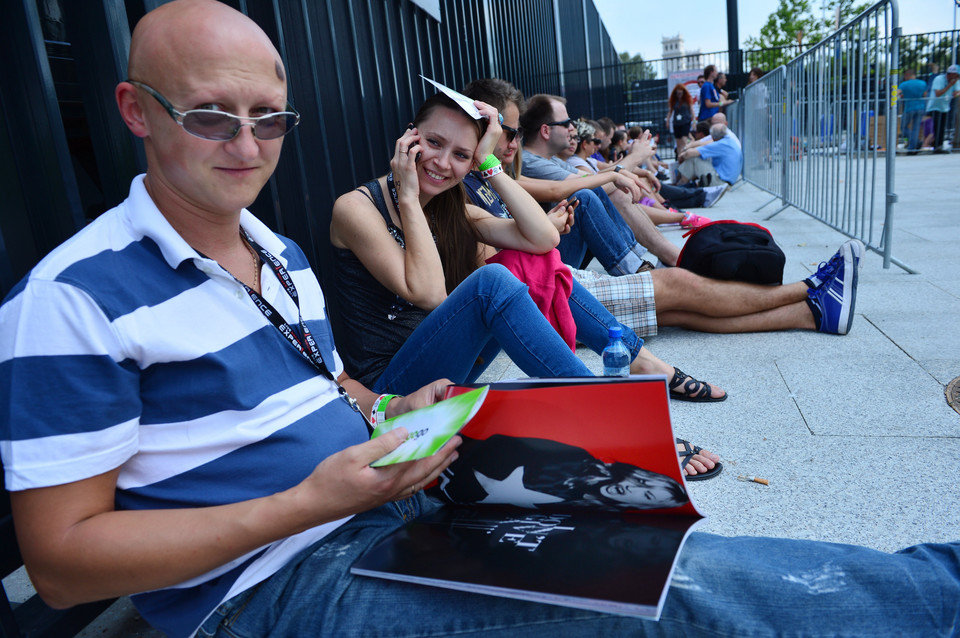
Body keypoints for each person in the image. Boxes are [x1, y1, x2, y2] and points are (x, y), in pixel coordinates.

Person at [5, 5, 958, 637]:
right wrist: (314, 500)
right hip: (274, 584)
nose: (247, 145)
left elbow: (327, 381)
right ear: (135, 109)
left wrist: (385, 413)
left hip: (379, 492)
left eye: (269, 118)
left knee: (662, 551)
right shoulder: (72, 299)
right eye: (212, 117)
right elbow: (60, 569)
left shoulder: (276, 253)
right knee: (670, 607)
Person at [328, 91, 727, 408]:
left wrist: (488, 163)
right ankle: (605, 409)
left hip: (445, 363)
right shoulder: (356, 209)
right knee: (492, 283)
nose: (443, 163)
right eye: (434, 142)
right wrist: (410, 198)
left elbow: (543, 240)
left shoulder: (452, 207)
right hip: (389, 393)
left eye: (461, 155)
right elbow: (430, 294)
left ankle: (634, 357)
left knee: (525, 261)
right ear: (409, 136)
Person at [461, 77, 866, 341]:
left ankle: (812, 313)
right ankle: (810, 290)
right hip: (534, 295)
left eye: (512, 131)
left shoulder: (490, 176)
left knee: (683, 309)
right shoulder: (465, 188)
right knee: (678, 289)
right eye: (503, 131)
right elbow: (496, 267)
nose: (512, 140)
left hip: (546, 277)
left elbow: (549, 198)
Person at [435, 435, 692, 510]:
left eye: (646, 496)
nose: (632, 489)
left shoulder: (599, 517)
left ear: (642, 508)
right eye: (642, 482)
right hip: (442, 470)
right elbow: (500, 446)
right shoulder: (577, 460)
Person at [676, 123, 743, 186]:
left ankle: (681, 184)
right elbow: (700, 144)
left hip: (721, 182)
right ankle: (688, 183)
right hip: (730, 180)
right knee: (701, 158)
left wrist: (682, 156)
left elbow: (689, 153)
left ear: (713, 137)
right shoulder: (730, 141)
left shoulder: (720, 144)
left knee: (694, 159)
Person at [925, 64, 960, 153]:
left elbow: (956, 92)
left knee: (942, 128)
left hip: (945, 107)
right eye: (955, 75)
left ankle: (939, 146)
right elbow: (938, 94)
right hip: (935, 107)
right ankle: (936, 147)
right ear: (950, 74)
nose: (956, 78)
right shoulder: (939, 79)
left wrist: (956, 92)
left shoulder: (956, 81)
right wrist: (950, 85)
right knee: (937, 127)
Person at [899, 68, 927, 153]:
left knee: (903, 127)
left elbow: (896, 93)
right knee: (916, 128)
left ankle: (914, 143)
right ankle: (913, 145)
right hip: (920, 107)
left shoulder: (904, 84)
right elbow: (925, 95)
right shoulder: (922, 83)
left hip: (909, 108)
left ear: (907, 75)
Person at [667, 82, 696, 157]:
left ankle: (686, 155)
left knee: (684, 139)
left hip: (685, 121)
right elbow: (670, 112)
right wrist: (667, 120)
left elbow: (692, 110)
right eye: (678, 93)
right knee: (678, 142)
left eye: (680, 93)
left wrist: (694, 121)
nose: (679, 95)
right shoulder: (674, 101)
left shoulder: (687, 100)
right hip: (676, 123)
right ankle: (680, 157)